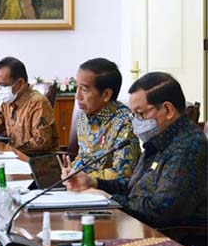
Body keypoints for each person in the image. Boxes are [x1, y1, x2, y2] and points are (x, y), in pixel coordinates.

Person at [63, 72, 207, 230]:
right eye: (133, 114)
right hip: (143, 229)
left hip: (177, 242)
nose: (136, 121)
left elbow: (160, 211)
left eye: (140, 114)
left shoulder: (188, 147)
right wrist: (95, 183)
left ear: (168, 110)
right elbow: (135, 188)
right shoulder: (159, 139)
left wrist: (111, 199)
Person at [62, 58, 141, 180]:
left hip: (107, 193)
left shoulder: (125, 123)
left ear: (106, 95)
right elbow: (83, 158)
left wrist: (82, 178)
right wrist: (70, 170)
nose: (77, 96)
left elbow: (122, 174)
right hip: (81, 188)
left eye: (84, 89)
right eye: (76, 87)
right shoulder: (84, 115)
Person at [0, 57, 59, 155]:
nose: (0, 90)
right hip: (15, 158)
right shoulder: (8, 102)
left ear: (20, 83)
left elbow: (41, 143)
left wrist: (8, 150)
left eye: (3, 85)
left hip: (37, 163)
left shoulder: (38, 103)